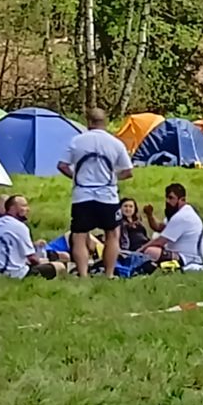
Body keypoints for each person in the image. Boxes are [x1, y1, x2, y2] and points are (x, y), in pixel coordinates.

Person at [59, 107, 134, 278]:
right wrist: (113, 178)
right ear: (105, 122)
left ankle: (83, 274)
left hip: (82, 196)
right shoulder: (115, 143)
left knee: (79, 236)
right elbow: (128, 171)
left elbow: (62, 165)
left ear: (88, 122)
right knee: (112, 234)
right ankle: (109, 274)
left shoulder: (76, 141)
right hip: (107, 196)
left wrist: (76, 177)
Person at [0, 195, 57, 280]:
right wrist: (43, 261)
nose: (28, 209)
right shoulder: (19, 227)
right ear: (12, 208)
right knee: (58, 266)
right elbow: (32, 259)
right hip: (12, 274)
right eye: (24, 206)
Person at [144, 183, 203, 270]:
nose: (167, 201)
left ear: (182, 200)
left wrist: (138, 252)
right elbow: (159, 228)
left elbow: (160, 241)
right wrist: (149, 215)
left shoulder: (183, 216)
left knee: (151, 251)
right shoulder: (177, 214)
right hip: (177, 253)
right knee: (152, 244)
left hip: (189, 258)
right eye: (167, 197)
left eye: (171, 198)